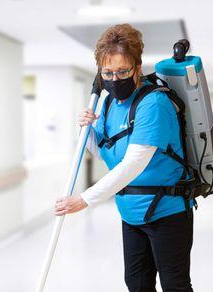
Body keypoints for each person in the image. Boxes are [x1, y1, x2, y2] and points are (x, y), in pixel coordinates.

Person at [53, 23, 194, 292]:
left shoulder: (153, 103)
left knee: (174, 285)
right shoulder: (108, 103)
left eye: (122, 71)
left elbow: (133, 163)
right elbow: (108, 151)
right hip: (131, 213)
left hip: (167, 211)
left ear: (137, 68)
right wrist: (86, 131)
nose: (114, 79)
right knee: (137, 284)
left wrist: (85, 199)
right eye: (107, 73)